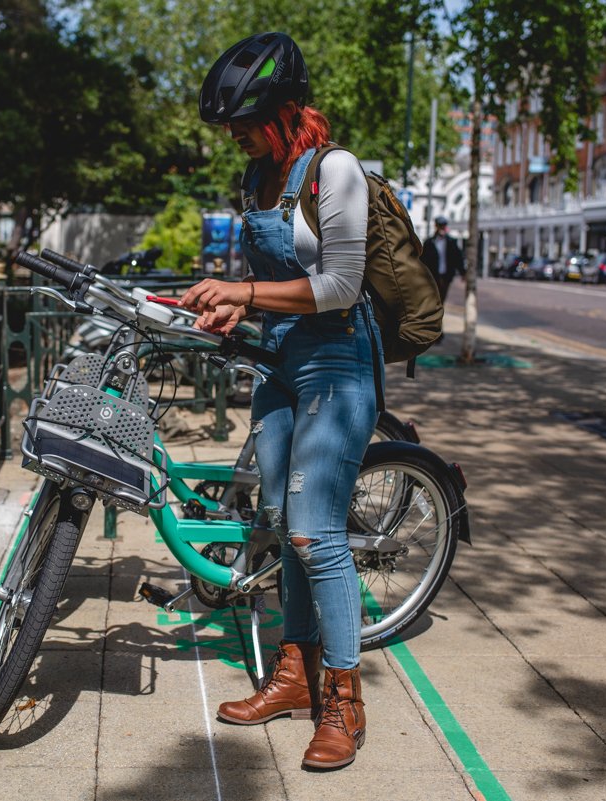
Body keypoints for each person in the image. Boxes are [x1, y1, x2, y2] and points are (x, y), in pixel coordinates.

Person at [180, 32, 381, 771]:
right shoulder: (256, 178)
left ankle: (344, 701)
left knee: (314, 532)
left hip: (338, 362)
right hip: (279, 362)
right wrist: (226, 306)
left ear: (285, 109)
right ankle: (294, 676)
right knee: (278, 518)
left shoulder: (336, 171)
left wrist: (245, 291)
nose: (234, 137)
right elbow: (261, 285)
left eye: (245, 122)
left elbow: (340, 285)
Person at [420, 215, 465, 303]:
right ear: (436, 226)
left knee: (441, 298)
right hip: (432, 276)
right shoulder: (429, 243)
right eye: (440, 225)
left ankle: (438, 315)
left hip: (446, 275)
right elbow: (423, 259)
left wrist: (463, 272)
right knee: (432, 298)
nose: (442, 228)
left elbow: (458, 258)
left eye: (443, 225)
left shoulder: (451, 242)